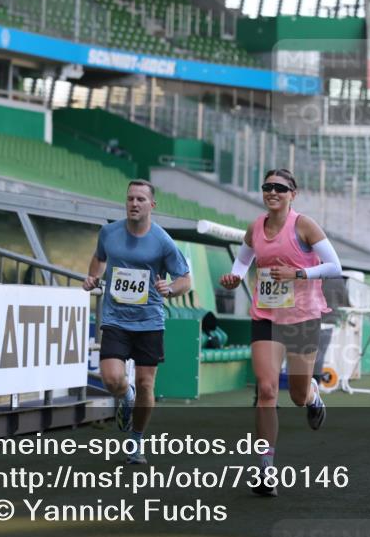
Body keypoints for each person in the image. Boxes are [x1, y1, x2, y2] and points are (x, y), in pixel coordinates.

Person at [219, 168, 342, 497]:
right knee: (267, 389)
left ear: (292, 194)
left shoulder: (304, 225)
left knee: (297, 396)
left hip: (302, 318)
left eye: (280, 188)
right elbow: (243, 261)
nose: (272, 192)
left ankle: (313, 395)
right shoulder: (255, 228)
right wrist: (234, 277)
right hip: (266, 315)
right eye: (267, 187)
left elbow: (335, 266)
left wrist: (298, 273)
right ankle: (265, 469)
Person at [83, 179, 191, 463]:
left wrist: (171, 289)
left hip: (149, 322)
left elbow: (185, 280)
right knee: (112, 380)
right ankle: (126, 394)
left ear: (152, 205)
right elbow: (99, 259)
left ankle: (136, 441)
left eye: (140, 199)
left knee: (146, 384)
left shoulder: (162, 241)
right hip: (116, 319)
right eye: (130, 198)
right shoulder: (109, 232)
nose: (134, 203)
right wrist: (93, 277)